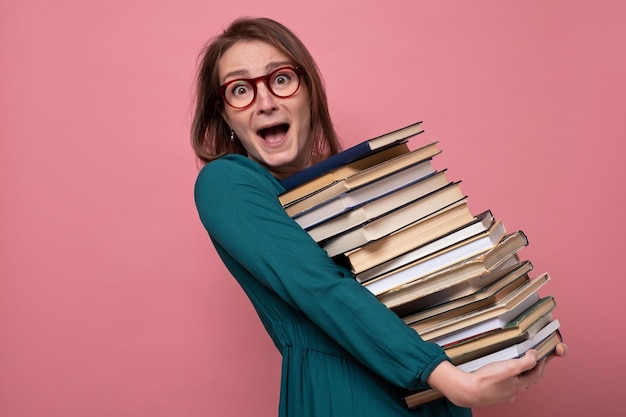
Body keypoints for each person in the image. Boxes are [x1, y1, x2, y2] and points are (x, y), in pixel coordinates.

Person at [191, 16, 567, 417]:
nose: (265, 103)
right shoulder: (226, 183)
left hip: (436, 395)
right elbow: (320, 287)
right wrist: (450, 379)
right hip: (349, 396)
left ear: (310, 94)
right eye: (240, 89)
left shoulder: (353, 186)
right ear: (225, 116)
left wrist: (516, 338)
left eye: (281, 79)